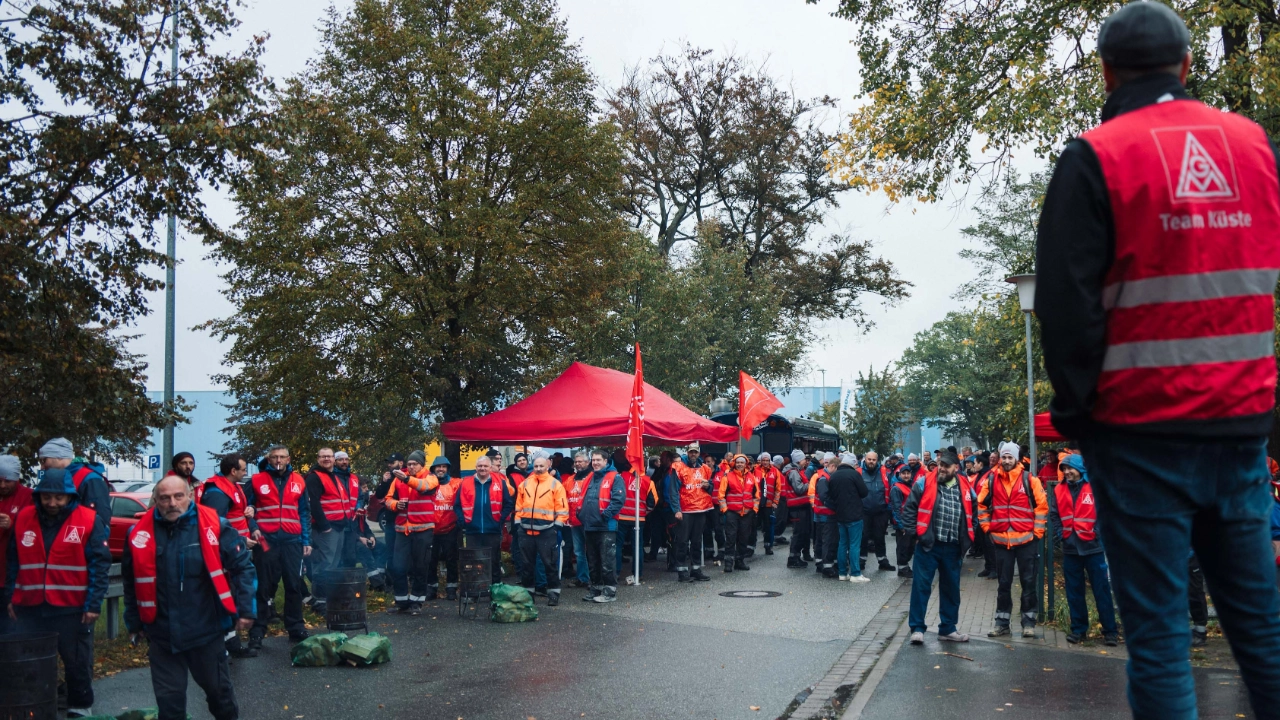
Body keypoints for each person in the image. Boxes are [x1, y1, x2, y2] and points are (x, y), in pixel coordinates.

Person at [1037, 3, 1280, 714]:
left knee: (1161, 640)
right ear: (1187, 65)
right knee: (1263, 631)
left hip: (1140, 431)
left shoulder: (1096, 156)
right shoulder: (1255, 147)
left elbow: (1066, 306)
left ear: (1106, 72)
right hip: (1240, 427)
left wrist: (1079, 414)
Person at [123, 476, 255, 720]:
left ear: (190, 497)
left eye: (178, 496)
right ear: (156, 500)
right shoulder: (138, 534)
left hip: (205, 631)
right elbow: (131, 583)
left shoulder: (215, 526)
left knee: (220, 697)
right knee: (169, 706)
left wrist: (246, 608)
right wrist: (134, 622)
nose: (172, 503)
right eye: (165, 498)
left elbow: (243, 568)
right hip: (161, 635)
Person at [4, 468, 111, 718]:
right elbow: (13, 561)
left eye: (58, 498)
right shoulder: (24, 518)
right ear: (39, 496)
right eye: (47, 497)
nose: (52, 503)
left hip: (71, 607)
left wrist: (93, 604)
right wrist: (10, 597)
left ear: (70, 496)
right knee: (30, 662)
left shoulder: (88, 519)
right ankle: (35, 705)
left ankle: (79, 707)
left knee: (76, 661)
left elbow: (99, 564)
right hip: (30, 606)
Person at [903, 452, 975, 645]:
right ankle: (917, 628)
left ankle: (948, 629)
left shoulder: (965, 485)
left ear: (956, 468)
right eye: (940, 464)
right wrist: (915, 535)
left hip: (953, 546)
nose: (941, 468)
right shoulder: (924, 482)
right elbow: (909, 509)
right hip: (928, 545)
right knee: (921, 587)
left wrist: (969, 535)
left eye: (946, 465)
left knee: (951, 589)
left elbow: (974, 510)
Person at [979, 442, 1048, 639]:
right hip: (1002, 541)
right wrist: (987, 528)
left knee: (1028, 583)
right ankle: (1002, 624)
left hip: (1027, 541)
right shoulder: (991, 479)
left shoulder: (1029, 479)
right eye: (1004, 457)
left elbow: (1042, 507)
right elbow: (981, 505)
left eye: (1010, 457)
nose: (1007, 460)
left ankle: (1029, 623)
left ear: (1016, 459)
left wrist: (1037, 533)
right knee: (1003, 584)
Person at [244, 445, 311, 649]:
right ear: (269, 459)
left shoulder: (299, 480)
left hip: (292, 541)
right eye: (274, 457)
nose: (278, 460)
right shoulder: (256, 480)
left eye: (282, 457)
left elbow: (304, 513)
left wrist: (306, 541)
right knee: (264, 586)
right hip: (266, 541)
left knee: (293, 585)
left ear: (288, 459)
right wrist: (253, 528)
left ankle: (296, 628)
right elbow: (245, 510)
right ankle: (257, 631)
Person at [1049, 454, 1119, 646]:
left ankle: (1110, 631)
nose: (1066, 472)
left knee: (1101, 591)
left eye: (1069, 468)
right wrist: (1062, 534)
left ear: (1080, 469)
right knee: (1074, 592)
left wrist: (1097, 533)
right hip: (1071, 548)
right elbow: (1054, 514)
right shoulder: (1059, 489)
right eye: (1064, 469)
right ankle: (1079, 630)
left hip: (1093, 548)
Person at [197, 454, 258, 659]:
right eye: (243, 469)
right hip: (225, 554)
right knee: (224, 596)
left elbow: (239, 515)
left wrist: (251, 520)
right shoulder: (217, 492)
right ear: (233, 471)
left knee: (231, 595)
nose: (245, 473)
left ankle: (231, 643)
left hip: (235, 549)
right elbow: (214, 526)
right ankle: (223, 646)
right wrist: (240, 540)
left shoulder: (231, 487)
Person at [305, 448, 358, 614]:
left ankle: (328, 599)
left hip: (338, 527)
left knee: (332, 565)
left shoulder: (332, 476)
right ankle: (320, 602)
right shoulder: (314, 477)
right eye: (323, 456)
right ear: (318, 459)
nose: (326, 459)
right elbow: (313, 504)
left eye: (329, 456)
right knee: (323, 565)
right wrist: (325, 526)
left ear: (334, 459)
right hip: (326, 530)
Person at [385, 450, 438, 614]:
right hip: (402, 530)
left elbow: (424, 487)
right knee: (398, 567)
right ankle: (401, 601)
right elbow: (388, 499)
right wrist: (396, 504)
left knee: (420, 567)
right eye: (409, 464)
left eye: (415, 464)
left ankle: (417, 602)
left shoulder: (430, 477)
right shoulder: (398, 479)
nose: (411, 466)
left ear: (422, 465)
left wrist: (406, 479)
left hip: (423, 529)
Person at [513, 454, 567, 605]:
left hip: (547, 530)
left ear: (548, 466)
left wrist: (557, 526)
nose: (538, 468)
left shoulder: (555, 484)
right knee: (527, 565)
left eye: (541, 466)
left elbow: (562, 508)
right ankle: (528, 594)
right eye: (536, 466)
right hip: (525, 531)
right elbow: (518, 506)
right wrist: (518, 524)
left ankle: (553, 593)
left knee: (549, 564)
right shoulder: (525, 483)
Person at [454, 456, 514, 589]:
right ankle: (475, 590)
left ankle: (495, 589)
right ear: (476, 467)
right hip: (472, 531)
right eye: (480, 466)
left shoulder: (500, 483)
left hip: (492, 530)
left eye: (485, 466)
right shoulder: (465, 483)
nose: (482, 468)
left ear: (490, 468)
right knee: (473, 562)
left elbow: (508, 504)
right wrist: (463, 522)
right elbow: (457, 505)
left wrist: (500, 520)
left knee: (494, 562)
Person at [578, 451, 624, 602]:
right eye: (593, 460)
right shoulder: (590, 477)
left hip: (606, 526)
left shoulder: (615, 477)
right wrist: (581, 515)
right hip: (590, 525)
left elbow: (618, 500)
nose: (595, 463)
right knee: (593, 561)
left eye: (598, 460)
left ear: (606, 461)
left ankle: (609, 592)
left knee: (607, 561)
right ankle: (596, 589)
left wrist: (605, 515)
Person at [37, 438, 111, 533]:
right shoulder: (55, 479)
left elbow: (101, 522)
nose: (42, 467)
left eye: (44, 461)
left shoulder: (90, 479)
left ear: (59, 457)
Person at [670, 443, 714, 583]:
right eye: (691, 452)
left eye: (695, 452)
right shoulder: (679, 468)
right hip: (685, 510)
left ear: (699, 453)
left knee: (697, 541)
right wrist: (676, 510)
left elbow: (711, 486)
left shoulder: (705, 469)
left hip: (701, 509)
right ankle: (682, 571)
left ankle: (696, 569)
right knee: (682, 541)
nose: (693, 454)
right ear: (687, 453)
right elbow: (673, 491)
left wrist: (708, 486)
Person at [0, 456, 33, 634]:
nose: (3, 485)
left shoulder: (28, 497)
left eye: (8, 481)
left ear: (17, 478)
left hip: (13, 576)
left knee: (10, 628)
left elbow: (35, 531)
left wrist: (13, 525)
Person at [614, 452, 656, 584]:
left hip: (621, 517)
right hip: (639, 519)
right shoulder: (649, 481)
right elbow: (653, 502)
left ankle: (615, 573)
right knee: (637, 547)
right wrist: (644, 512)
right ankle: (638, 573)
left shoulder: (621, 476)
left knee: (617, 546)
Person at [828, 453, 870, 582]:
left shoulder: (834, 476)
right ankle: (855, 574)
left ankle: (842, 573)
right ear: (852, 463)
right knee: (854, 545)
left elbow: (831, 495)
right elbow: (864, 492)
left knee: (842, 544)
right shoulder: (854, 474)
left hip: (840, 514)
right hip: (854, 514)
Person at [717, 454, 759, 573]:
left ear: (746, 464)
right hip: (732, 512)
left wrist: (754, 510)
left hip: (747, 513)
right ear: (734, 463)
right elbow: (721, 495)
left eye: (742, 462)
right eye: (738, 462)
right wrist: (725, 510)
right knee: (730, 537)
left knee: (744, 538)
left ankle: (740, 561)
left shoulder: (751, 477)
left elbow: (756, 495)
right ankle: (728, 563)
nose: (740, 464)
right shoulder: (727, 476)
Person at [428, 457, 459, 601]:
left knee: (451, 560)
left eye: (444, 467)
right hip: (430, 529)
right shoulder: (427, 484)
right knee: (430, 560)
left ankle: (451, 588)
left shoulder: (456, 484)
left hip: (450, 528)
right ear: (433, 469)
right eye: (438, 466)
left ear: (448, 469)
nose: (441, 469)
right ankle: (431, 588)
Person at [859, 451, 894, 572]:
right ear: (865, 459)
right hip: (864, 511)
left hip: (881, 511)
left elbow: (891, 488)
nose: (871, 462)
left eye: (873, 460)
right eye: (869, 459)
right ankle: (861, 561)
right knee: (863, 537)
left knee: (880, 537)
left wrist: (889, 508)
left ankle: (883, 561)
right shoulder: (859, 472)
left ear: (877, 460)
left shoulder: (884, 472)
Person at [562, 452, 592, 588]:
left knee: (592, 552)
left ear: (587, 462)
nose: (578, 464)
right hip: (574, 522)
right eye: (576, 461)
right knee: (579, 553)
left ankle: (595, 579)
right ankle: (582, 578)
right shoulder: (570, 480)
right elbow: (562, 496)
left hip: (589, 521)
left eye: (581, 461)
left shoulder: (593, 478)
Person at [808, 453, 839, 578]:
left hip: (821, 512)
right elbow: (824, 497)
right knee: (827, 540)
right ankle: (827, 567)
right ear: (832, 466)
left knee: (822, 540)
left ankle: (822, 563)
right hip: (825, 513)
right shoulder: (824, 478)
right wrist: (836, 506)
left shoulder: (823, 476)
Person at [783, 449, 812, 568]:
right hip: (797, 507)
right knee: (798, 533)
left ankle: (796, 557)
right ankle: (793, 558)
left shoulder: (798, 471)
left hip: (800, 506)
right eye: (804, 459)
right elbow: (799, 489)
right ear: (799, 460)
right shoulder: (794, 472)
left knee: (801, 532)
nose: (806, 461)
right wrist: (810, 484)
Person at [890, 462, 917, 578]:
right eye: (904, 473)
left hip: (911, 521)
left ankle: (905, 566)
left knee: (910, 546)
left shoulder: (912, 486)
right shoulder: (896, 488)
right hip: (903, 523)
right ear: (899, 474)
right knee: (903, 547)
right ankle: (902, 568)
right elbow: (896, 508)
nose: (906, 476)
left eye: (908, 473)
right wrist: (900, 525)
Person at [752, 452, 782, 555]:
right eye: (763, 460)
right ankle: (750, 547)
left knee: (768, 527)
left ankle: (768, 546)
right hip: (756, 504)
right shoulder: (755, 470)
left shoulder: (775, 471)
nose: (765, 462)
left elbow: (778, 489)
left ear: (770, 461)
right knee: (753, 526)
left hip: (769, 504)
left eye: (767, 460)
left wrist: (775, 502)